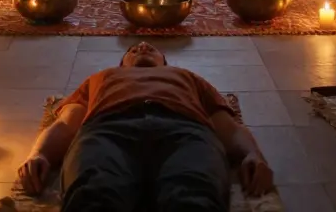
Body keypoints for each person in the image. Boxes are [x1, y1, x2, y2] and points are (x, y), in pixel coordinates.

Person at [17, 41, 273, 211]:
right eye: (133, 49)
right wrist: (39, 154)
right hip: (108, 130)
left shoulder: (187, 77)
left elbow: (228, 126)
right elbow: (65, 124)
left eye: (150, 48)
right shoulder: (101, 78)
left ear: (165, 62)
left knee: (194, 195)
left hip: (185, 131)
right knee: (94, 193)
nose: (142, 47)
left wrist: (253, 154)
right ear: (122, 64)